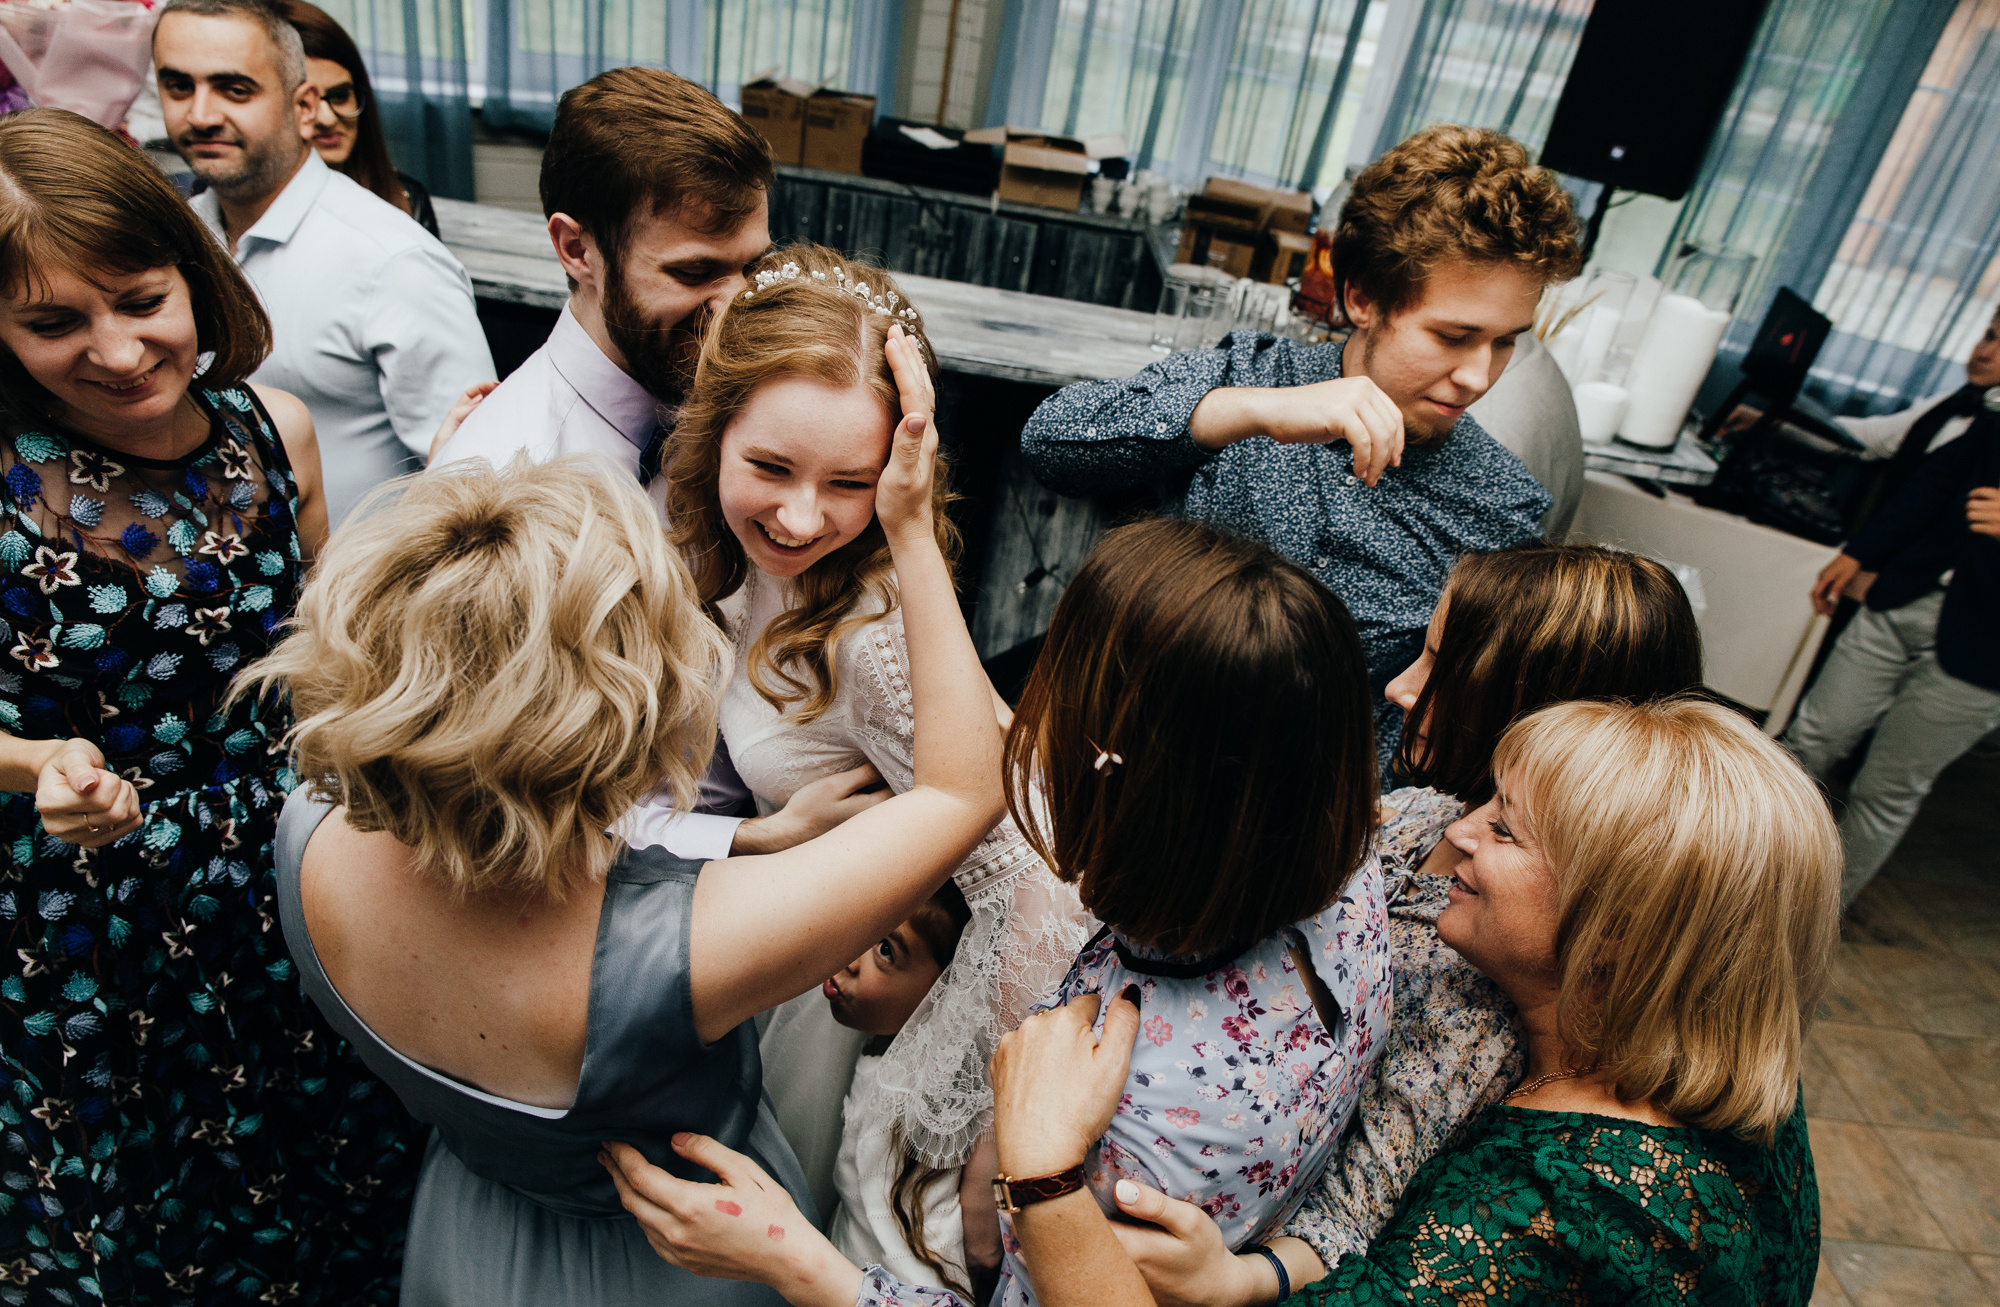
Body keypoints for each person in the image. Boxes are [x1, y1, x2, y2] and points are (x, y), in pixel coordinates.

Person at [249, 316, 1003, 1304]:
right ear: (620, 724)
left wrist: (444, 549)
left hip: (465, 1235)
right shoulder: (684, 949)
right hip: (677, 1262)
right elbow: (963, 789)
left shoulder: (305, 833)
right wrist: (909, 527)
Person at [602, 514, 1396, 1307]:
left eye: (1066, 706)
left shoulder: (1127, 1119)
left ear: (1124, 782)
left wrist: (792, 1258)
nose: (1036, 727)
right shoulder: (1343, 870)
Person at [944, 696, 1837, 1307]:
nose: (1460, 831)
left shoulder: (1554, 1210)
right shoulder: (1728, 1059)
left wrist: (1043, 1166)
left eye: (1504, 827)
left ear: (1615, 932)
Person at [0, 107, 417, 1304]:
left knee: (318, 1187)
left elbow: (322, 653)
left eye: (142, 300)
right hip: (90, 915)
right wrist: (37, 765)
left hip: (287, 876)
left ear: (196, 275)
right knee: (141, 1216)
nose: (118, 350)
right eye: (52, 323)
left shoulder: (275, 432)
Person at [665, 245, 1091, 1243]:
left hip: (842, 1004)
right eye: (770, 467)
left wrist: (981, 1113)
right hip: (775, 947)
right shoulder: (712, 551)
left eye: (850, 482)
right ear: (713, 428)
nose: (800, 516)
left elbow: (1046, 881)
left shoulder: (871, 633)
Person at [1019, 125, 1582, 764]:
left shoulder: (1501, 509)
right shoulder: (1254, 374)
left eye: (1505, 342)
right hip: (1123, 744)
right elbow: (1051, 445)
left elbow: (1447, 728)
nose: (1479, 377)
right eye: (1453, 337)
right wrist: (1250, 410)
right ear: (1363, 299)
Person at [153, 0, 495, 527]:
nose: (200, 115)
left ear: (306, 106)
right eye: (178, 86)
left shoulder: (393, 260)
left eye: (234, 89)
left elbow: (480, 477)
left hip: (354, 574)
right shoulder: (175, 239)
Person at [434, 66, 772, 504]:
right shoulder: (499, 490)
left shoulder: (755, 397)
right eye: (693, 272)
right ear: (576, 250)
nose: (735, 305)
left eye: (754, 267)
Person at [1785, 377, 2000, 906]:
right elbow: (1936, 482)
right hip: (1902, 598)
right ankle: (1729, 883)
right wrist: (1861, 551)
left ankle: (1809, 925)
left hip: (1985, 651)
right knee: (1808, 742)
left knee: (1885, 791)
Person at [826, 882, 978, 1294]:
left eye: (886, 951)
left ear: (944, 993)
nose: (850, 960)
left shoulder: (914, 1108)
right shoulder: (886, 1055)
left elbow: (914, 1266)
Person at [272, 0, 439, 237]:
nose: (327, 119)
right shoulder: (237, 206)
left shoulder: (407, 198)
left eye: (340, 96)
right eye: (303, 102)